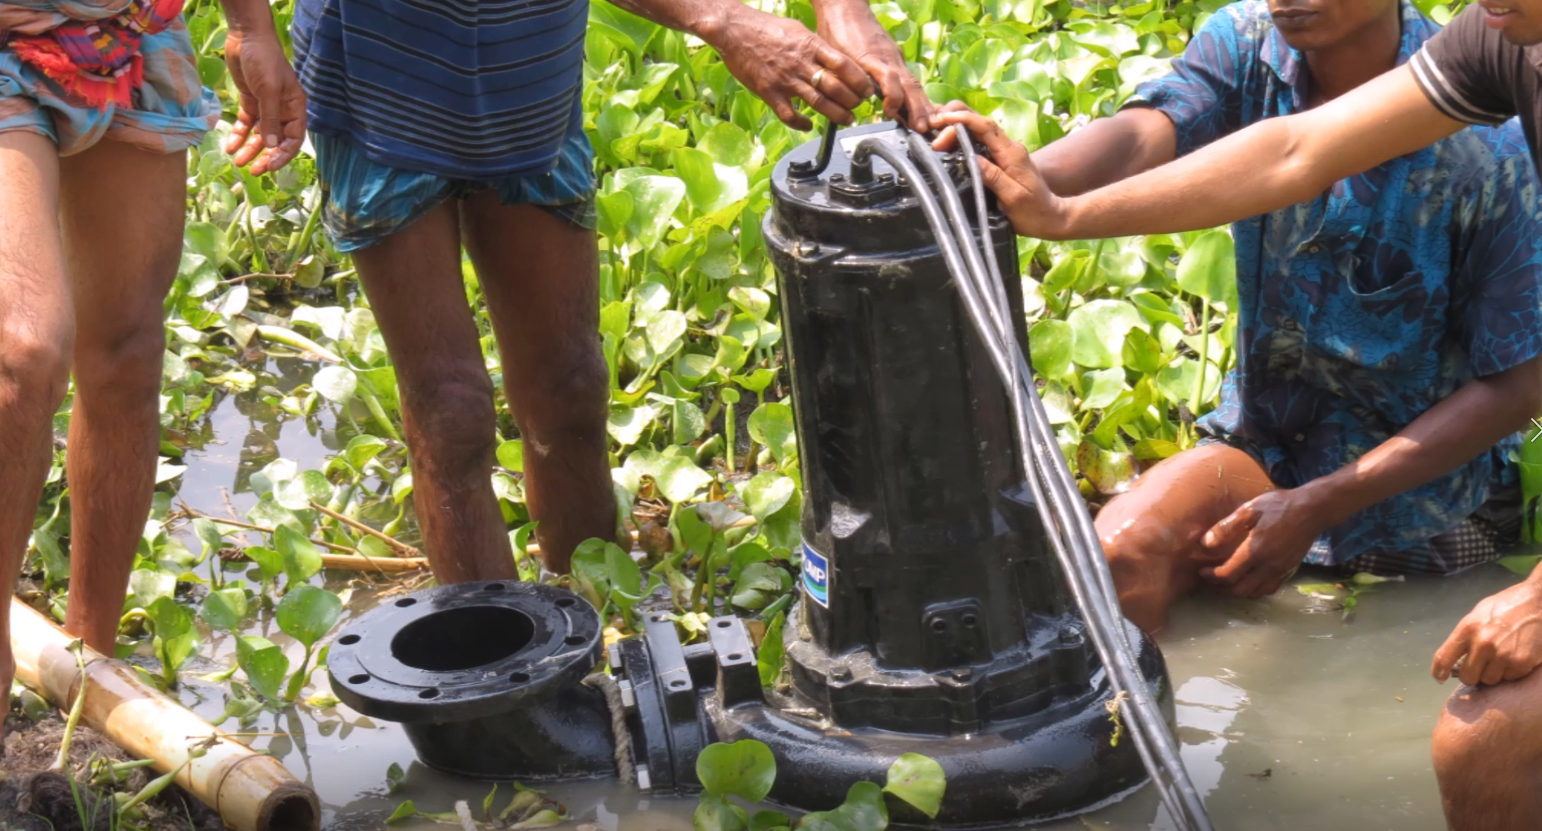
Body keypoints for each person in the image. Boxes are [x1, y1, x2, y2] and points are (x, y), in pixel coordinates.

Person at [931, 0, 1542, 827]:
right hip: (1268, 444)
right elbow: (1275, 146)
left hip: (1421, 510)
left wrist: (1327, 507)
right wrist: (1041, 197)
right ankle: (1132, 785)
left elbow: (1519, 384)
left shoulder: (1490, 150)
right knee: (1118, 552)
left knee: (1460, 740)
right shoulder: (1483, 46)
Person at [277, 0, 931, 581]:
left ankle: (591, 625)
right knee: (450, 411)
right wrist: (720, 19)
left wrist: (841, 8)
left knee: (570, 385)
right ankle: (489, 676)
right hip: (382, 71)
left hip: (526, 65)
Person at [0, 0, 303, 727]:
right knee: (24, 349)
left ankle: (89, 666)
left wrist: (251, 25)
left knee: (128, 352)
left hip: (128, 31)